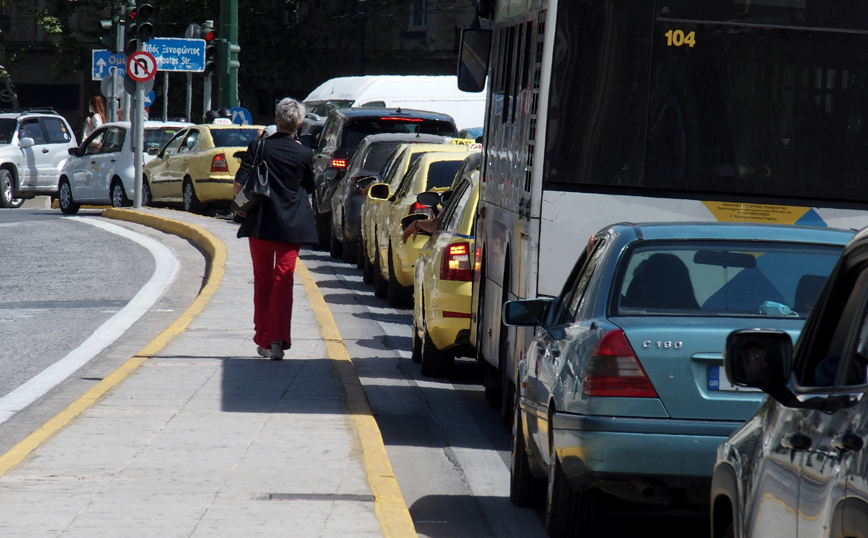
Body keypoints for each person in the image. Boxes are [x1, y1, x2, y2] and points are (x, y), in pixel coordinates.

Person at [234, 97, 318, 360]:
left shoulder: (258, 147)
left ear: (276, 119)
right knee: (284, 280)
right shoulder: (305, 153)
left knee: (263, 280)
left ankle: (263, 339)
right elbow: (309, 187)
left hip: (260, 222)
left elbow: (239, 185)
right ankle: (278, 340)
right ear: (300, 123)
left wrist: (239, 207)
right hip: (292, 224)